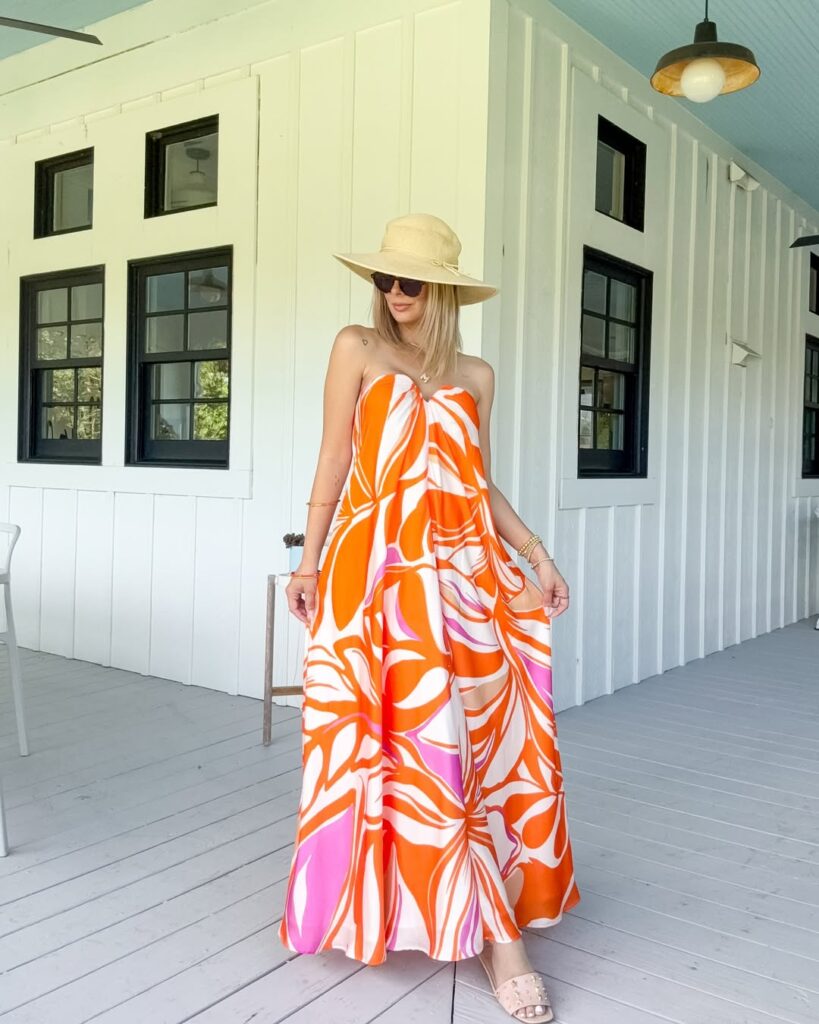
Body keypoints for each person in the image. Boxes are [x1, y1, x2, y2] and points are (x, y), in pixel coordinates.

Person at [278, 213, 579, 1023]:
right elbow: (334, 460)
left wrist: (538, 557)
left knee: (471, 739)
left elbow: (477, 484)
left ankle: (475, 906)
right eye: (384, 279)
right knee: (386, 745)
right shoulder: (356, 347)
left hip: (463, 571)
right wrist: (307, 563)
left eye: (411, 282)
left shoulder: (475, 374)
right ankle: (493, 938)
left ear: (443, 290)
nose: (395, 294)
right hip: (372, 575)